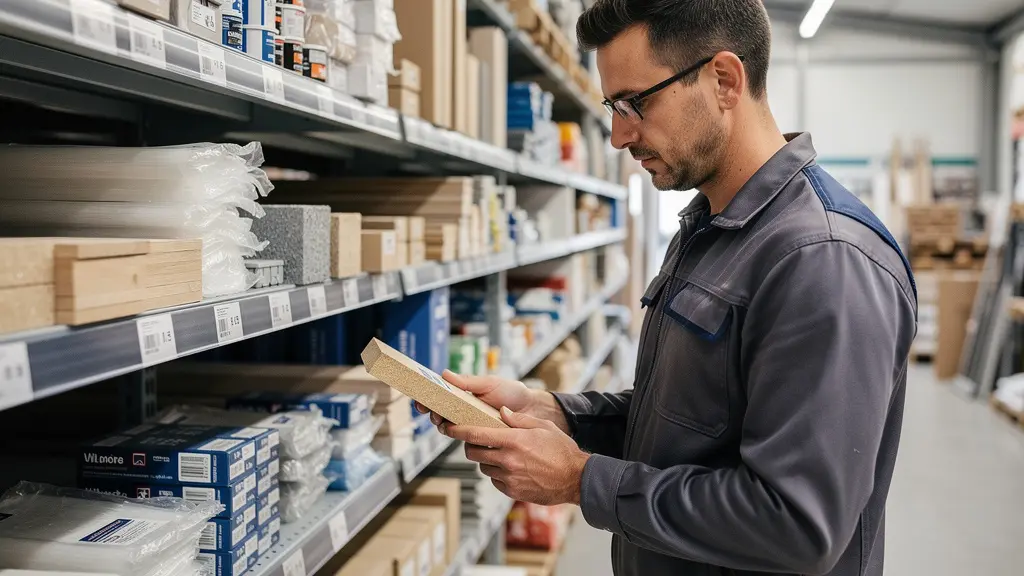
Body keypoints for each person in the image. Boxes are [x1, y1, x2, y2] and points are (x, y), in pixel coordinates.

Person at [419, 1, 918, 574]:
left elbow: (797, 522)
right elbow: (689, 418)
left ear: (724, 80)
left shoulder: (823, 260)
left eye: (636, 102)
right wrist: (557, 413)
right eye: (612, 107)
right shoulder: (711, 226)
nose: (617, 135)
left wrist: (582, 479)